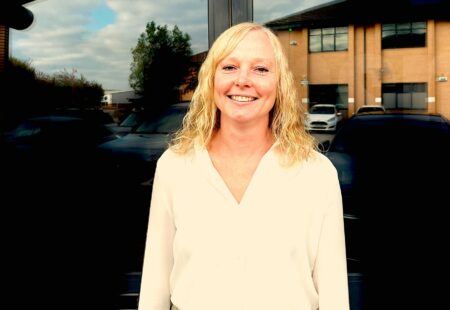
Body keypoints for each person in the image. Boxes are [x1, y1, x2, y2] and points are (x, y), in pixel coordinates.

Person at [138, 22, 349, 310]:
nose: (243, 80)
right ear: (212, 79)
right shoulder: (175, 167)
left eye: (260, 69)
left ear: (280, 83)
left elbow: (334, 292)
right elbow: (155, 282)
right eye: (229, 67)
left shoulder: (316, 174)